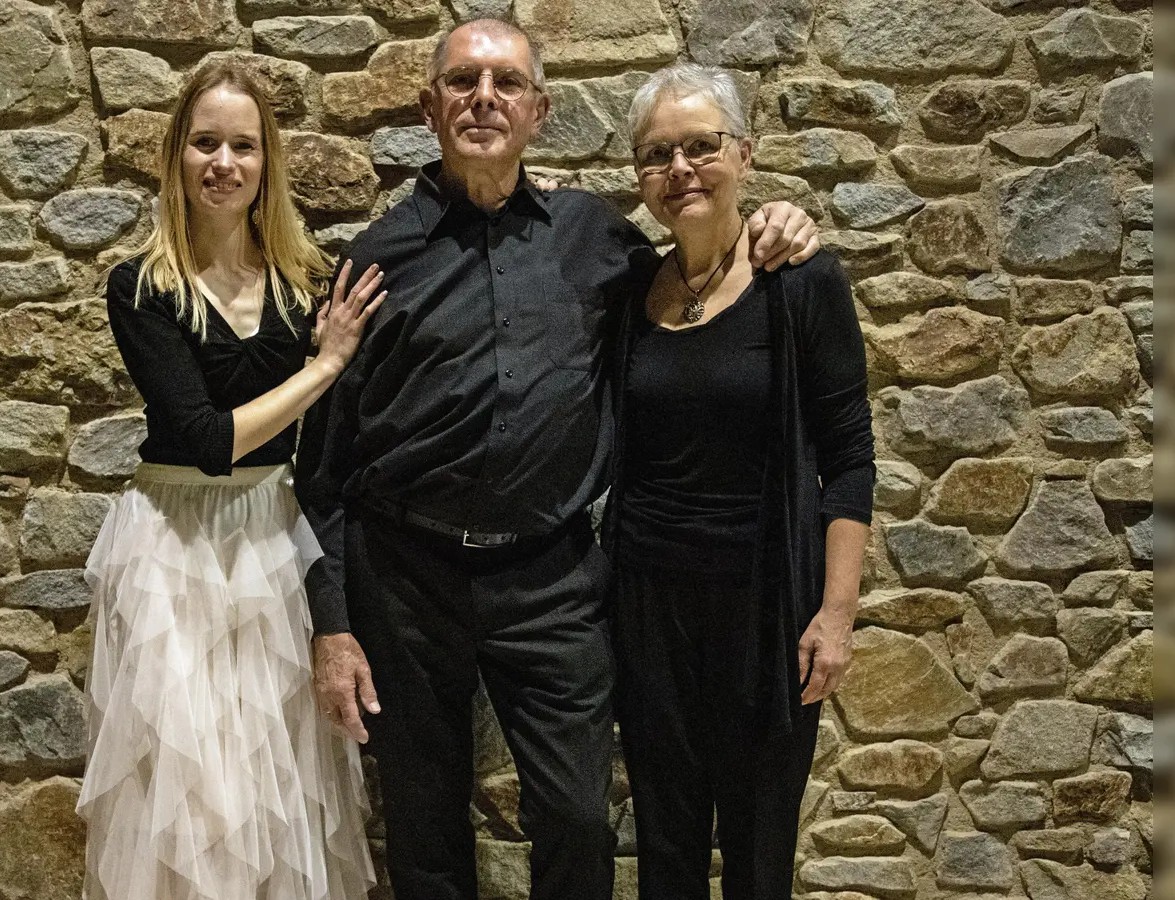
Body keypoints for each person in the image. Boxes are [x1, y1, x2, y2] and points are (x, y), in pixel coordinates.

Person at [295, 18, 820, 900]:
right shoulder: (377, 258)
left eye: (505, 85)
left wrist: (778, 219)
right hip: (404, 580)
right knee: (424, 830)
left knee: (579, 817)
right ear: (430, 107)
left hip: (553, 581)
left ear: (539, 110)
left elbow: (701, 277)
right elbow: (325, 466)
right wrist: (333, 623)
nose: (483, 100)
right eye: (462, 83)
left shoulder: (603, 241)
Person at [77, 61, 385, 900]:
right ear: (176, 155)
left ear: (266, 163)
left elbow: (315, 449)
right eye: (205, 142)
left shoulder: (299, 282)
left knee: (275, 783)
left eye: (243, 146)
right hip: (173, 544)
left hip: (270, 541)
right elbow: (208, 440)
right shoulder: (141, 286)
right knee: (188, 790)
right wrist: (325, 365)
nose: (224, 162)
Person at [603, 62, 874, 900]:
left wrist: (835, 616)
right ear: (641, 176)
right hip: (648, 608)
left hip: (768, 611)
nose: (680, 169)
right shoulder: (626, 291)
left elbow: (850, 457)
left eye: (700, 147)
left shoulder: (800, 282)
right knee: (666, 845)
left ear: (744, 155)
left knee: (760, 854)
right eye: (657, 155)